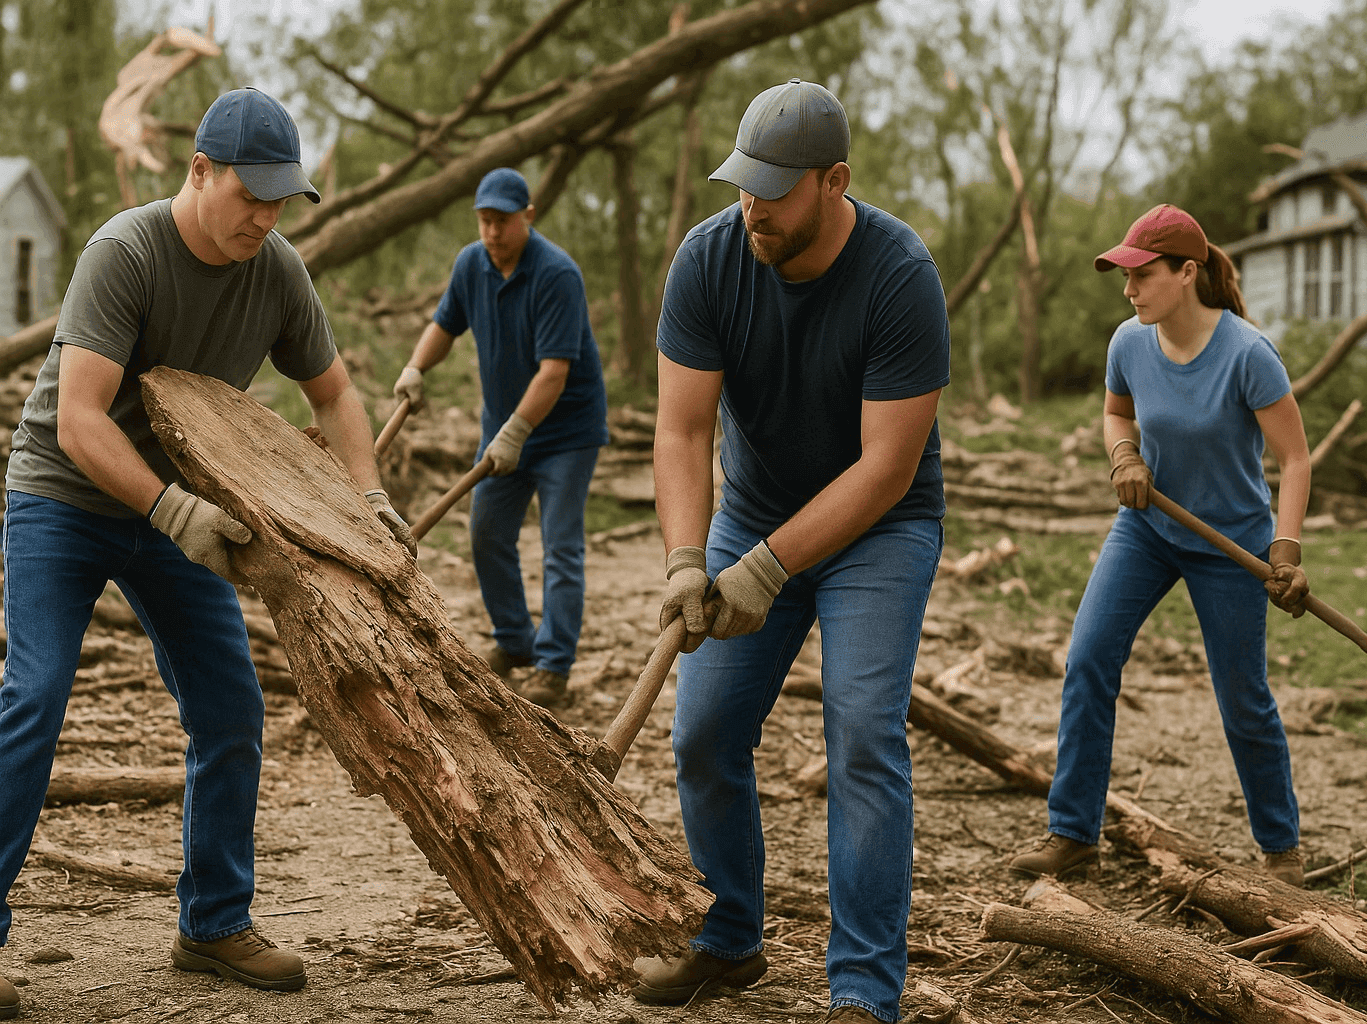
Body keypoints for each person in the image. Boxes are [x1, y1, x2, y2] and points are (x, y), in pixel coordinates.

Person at [0, 87, 415, 1016]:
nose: (264, 218)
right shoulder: (126, 252)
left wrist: (367, 494)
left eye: (281, 201)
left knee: (230, 710)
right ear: (199, 171)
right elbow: (75, 422)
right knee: (32, 698)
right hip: (65, 500)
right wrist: (175, 512)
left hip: (175, 513)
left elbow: (338, 396)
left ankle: (214, 923)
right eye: (250, 195)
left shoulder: (276, 272)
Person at [634, 79, 949, 1024]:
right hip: (752, 511)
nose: (751, 205)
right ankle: (729, 939)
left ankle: (861, 987)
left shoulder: (899, 275)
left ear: (834, 181)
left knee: (861, 735)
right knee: (703, 736)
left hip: (881, 528)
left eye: (773, 187)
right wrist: (689, 559)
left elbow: (889, 469)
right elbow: (683, 433)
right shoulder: (708, 259)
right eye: (742, 182)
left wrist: (769, 569)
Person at [1007, 203, 1312, 887]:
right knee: (1087, 658)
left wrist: (1284, 550)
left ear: (1186, 273)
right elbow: (1117, 414)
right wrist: (1126, 458)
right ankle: (1073, 833)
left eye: (1141, 275)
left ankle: (1281, 850)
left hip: (1231, 542)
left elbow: (1295, 458)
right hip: (1148, 531)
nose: (1129, 289)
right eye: (1125, 275)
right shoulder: (1129, 343)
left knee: (1242, 695)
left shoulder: (1247, 355)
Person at [392, 167, 608, 709]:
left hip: (565, 432)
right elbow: (444, 326)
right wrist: (417, 368)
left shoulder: (557, 274)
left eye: (502, 221)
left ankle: (554, 666)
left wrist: (516, 431)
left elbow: (554, 371)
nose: (491, 231)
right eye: (484, 220)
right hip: (504, 429)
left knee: (560, 546)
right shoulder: (472, 264)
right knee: (487, 534)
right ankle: (515, 643)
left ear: (527, 217)